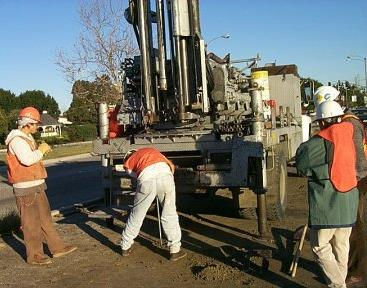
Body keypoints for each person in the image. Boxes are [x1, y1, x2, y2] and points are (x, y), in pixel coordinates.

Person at [296, 101, 359, 288]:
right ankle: (340, 281)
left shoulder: (319, 142)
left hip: (328, 201)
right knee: (341, 244)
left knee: (319, 246)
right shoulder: (350, 134)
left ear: (321, 122)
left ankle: (338, 285)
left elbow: (301, 164)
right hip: (349, 199)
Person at [5, 107, 77, 265]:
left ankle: (57, 248)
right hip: (25, 188)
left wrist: (40, 151)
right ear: (27, 123)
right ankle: (35, 256)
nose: (37, 127)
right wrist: (41, 151)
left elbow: (32, 159)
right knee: (30, 224)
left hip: (37, 184)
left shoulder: (27, 138)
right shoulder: (17, 140)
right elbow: (27, 160)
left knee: (45, 220)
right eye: (36, 124)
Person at [313, 86, 367, 287]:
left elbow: (359, 161)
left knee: (356, 226)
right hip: (353, 179)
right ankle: (345, 271)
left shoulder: (349, 123)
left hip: (358, 180)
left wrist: (352, 179)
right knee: (346, 232)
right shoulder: (345, 123)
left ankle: (359, 271)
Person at [119, 147, 186, 261]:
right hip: (166, 177)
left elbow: (135, 175)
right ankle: (174, 250)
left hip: (146, 180)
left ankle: (125, 247)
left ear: (128, 156)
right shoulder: (152, 151)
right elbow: (171, 167)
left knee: (137, 215)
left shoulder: (129, 161)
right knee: (169, 214)